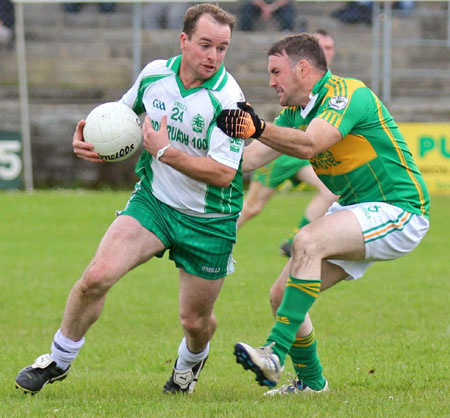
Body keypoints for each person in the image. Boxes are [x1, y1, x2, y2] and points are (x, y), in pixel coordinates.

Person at [15, 4, 245, 396]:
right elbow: (121, 114)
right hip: (153, 203)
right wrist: (92, 136)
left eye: (222, 48)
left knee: (195, 322)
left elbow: (224, 173)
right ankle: (57, 359)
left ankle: (190, 364)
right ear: (184, 40)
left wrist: (165, 151)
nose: (213, 56)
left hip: (209, 219)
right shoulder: (155, 74)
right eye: (206, 45)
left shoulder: (229, 100)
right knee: (96, 277)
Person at [217, 33, 429, 395]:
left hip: (400, 209)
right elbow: (250, 160)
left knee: (308, 239)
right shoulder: (294, 114)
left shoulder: (347, 94)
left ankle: (273, 353)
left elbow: (312, 144)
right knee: (280, 295)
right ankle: (312, 384)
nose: (271, 82)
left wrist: (261, 128)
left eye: (276, 72)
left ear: (302, 68)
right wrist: (185, 154)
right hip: (356, 209)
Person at [239, 30, 337, 259]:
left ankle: (296, 240)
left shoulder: (338, 91)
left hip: (302, 154)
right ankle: (209, 241)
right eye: (323, 46)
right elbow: (251, 157)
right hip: (284, 154)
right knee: (252, 207)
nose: (327, 52)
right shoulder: (295, 105)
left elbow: (312, 142)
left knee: (330, 191)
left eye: (330, 47)